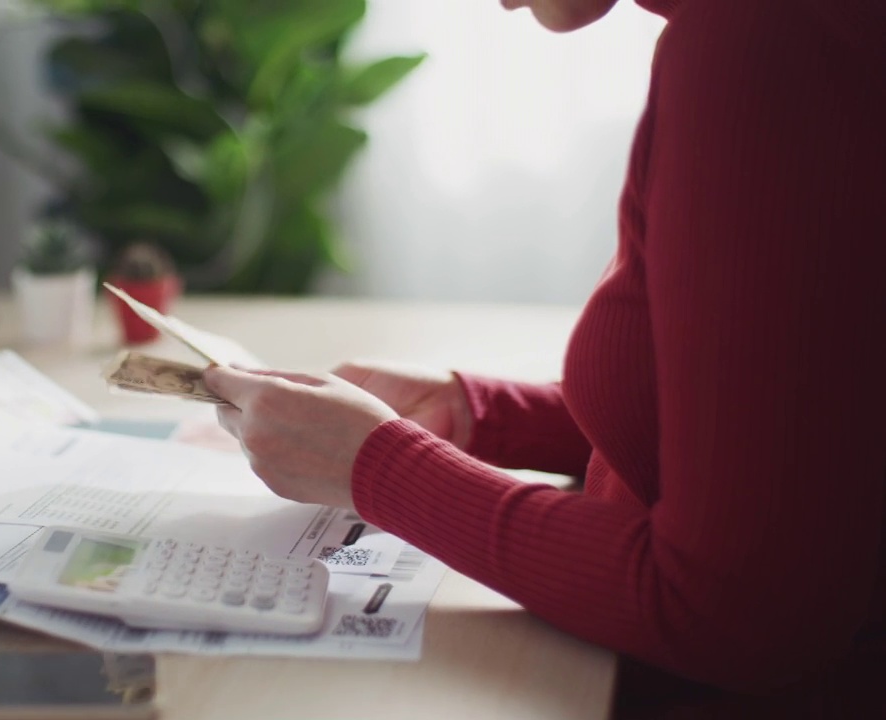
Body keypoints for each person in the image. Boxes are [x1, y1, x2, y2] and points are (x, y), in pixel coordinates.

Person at [203, 0, 886, 716]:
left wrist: (376, 467)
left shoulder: (761, 42)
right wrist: (485, 415)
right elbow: (807, 415)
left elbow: (736, 614)